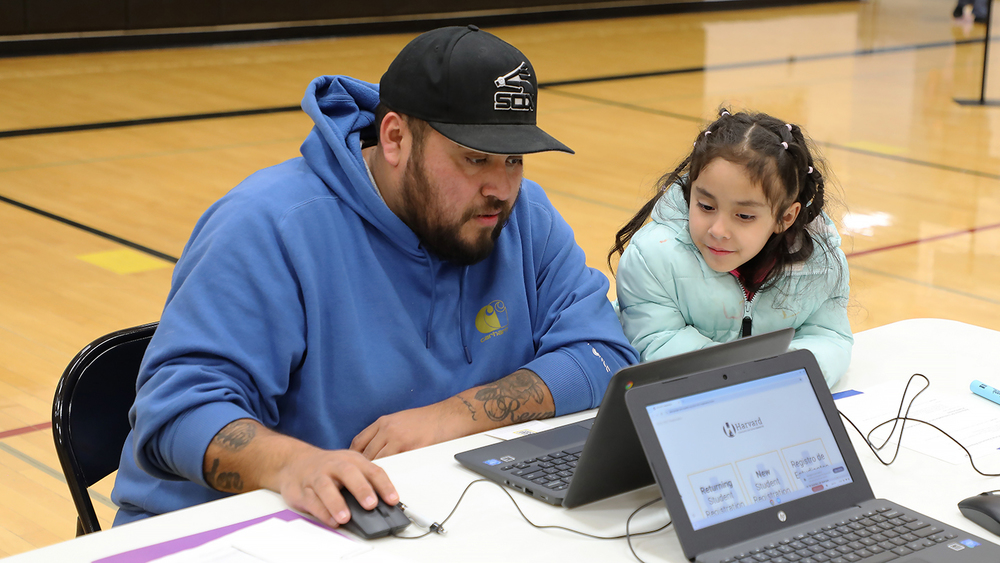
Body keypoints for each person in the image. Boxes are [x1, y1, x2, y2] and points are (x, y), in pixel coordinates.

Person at [112, 25, 637, 528]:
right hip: (225, 531)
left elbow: (603, 355)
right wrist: (292, 466)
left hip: (422, 514)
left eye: (515, 160)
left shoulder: (523, 217)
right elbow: (177, 414)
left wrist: (452, 417)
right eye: (475, 159)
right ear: (394, 139)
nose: (501, 188)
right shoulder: (269, 226)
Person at [608, 109, 852, 387]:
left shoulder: (820, 262)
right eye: (706, 207)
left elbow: (829, 338)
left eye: (744, 216)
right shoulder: (654, 256)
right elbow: (657, 342)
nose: (718, 230)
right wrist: (744, 378)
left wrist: (787, 374)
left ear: (786, 217)